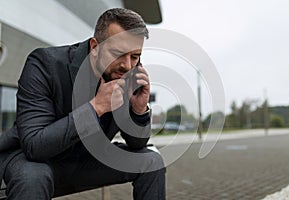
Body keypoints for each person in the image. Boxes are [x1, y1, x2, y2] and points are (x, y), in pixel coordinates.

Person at [0, 8, 166, 200]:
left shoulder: (126, 75)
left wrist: (139, 111)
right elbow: (35, 146)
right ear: (95, 46)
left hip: (84, 160)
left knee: (152, 160)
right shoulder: (44, 64)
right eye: (119, 53)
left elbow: (137, 143)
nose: (127, 65)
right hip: (34, 160)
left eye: (135, 56)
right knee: (32, 177)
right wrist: (96, 108)